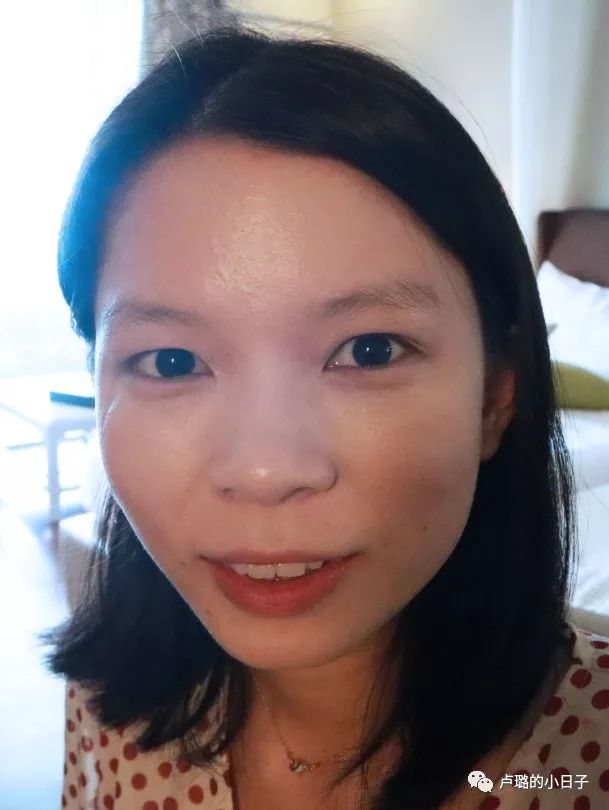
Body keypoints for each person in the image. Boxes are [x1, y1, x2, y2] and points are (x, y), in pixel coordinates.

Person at [39, 23, 609, 810]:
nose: (264, 471)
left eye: (368, 351)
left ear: (493, 397)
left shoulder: (585, 756)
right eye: (170, 362)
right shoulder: (109, 702)